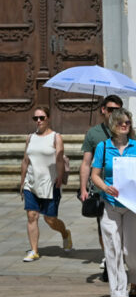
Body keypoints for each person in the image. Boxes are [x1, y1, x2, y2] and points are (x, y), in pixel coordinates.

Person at [91, 108, 136, 297]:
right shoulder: (103, 147)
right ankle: (117, 293)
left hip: (132, 206)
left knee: (131, 251)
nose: (125, 125)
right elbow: (95, 174)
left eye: (128, 122)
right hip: (110, 204)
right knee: (113, 249)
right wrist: (105, 187)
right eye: (121, 122)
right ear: (113, 125)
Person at [19, 106, 72, 261]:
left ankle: (65, 233)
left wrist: (60, 177)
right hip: (31, 182)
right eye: (36, 118)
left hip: (50, 183)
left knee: (50, 219)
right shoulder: (30, 137)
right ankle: (34, 250)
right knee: (31, 215)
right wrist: (22, 182)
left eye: (42, 118)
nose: (39, 121)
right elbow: (25, 161)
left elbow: (60, 159)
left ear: (48, 118)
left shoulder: (56, 137)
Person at [79, 95, 124, 277]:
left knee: (122, 230)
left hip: (122, 189)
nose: (114, 113)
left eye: (118, 109)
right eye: (111, 109)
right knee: (105, 228)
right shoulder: (94, 133)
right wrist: (83, 188)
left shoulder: (125, 129)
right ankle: (109, 260)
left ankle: (118, 259)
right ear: (103, 110)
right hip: (100, 189)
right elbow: (86, 163)